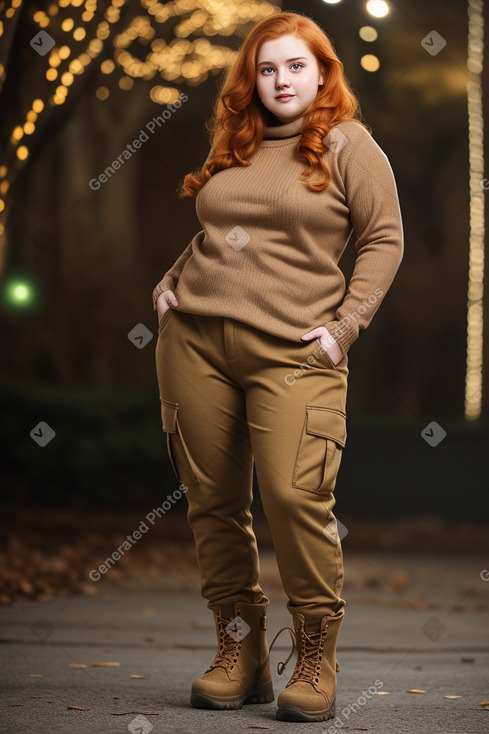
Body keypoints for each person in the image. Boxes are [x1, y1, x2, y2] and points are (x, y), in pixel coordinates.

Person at [153, 10, 403, 723]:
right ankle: (242, 653)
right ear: (251, 79)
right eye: (267, 68)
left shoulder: (349, 144)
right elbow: (220, 232)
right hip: (195, 341)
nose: (280, 80)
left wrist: (342, 328)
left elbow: (383, 240)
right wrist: (170, 283)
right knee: (211, 502)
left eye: (296, 66)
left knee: (295, 500)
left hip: (295, 353)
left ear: (323, 72)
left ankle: (315, 659)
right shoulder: (237, 138)